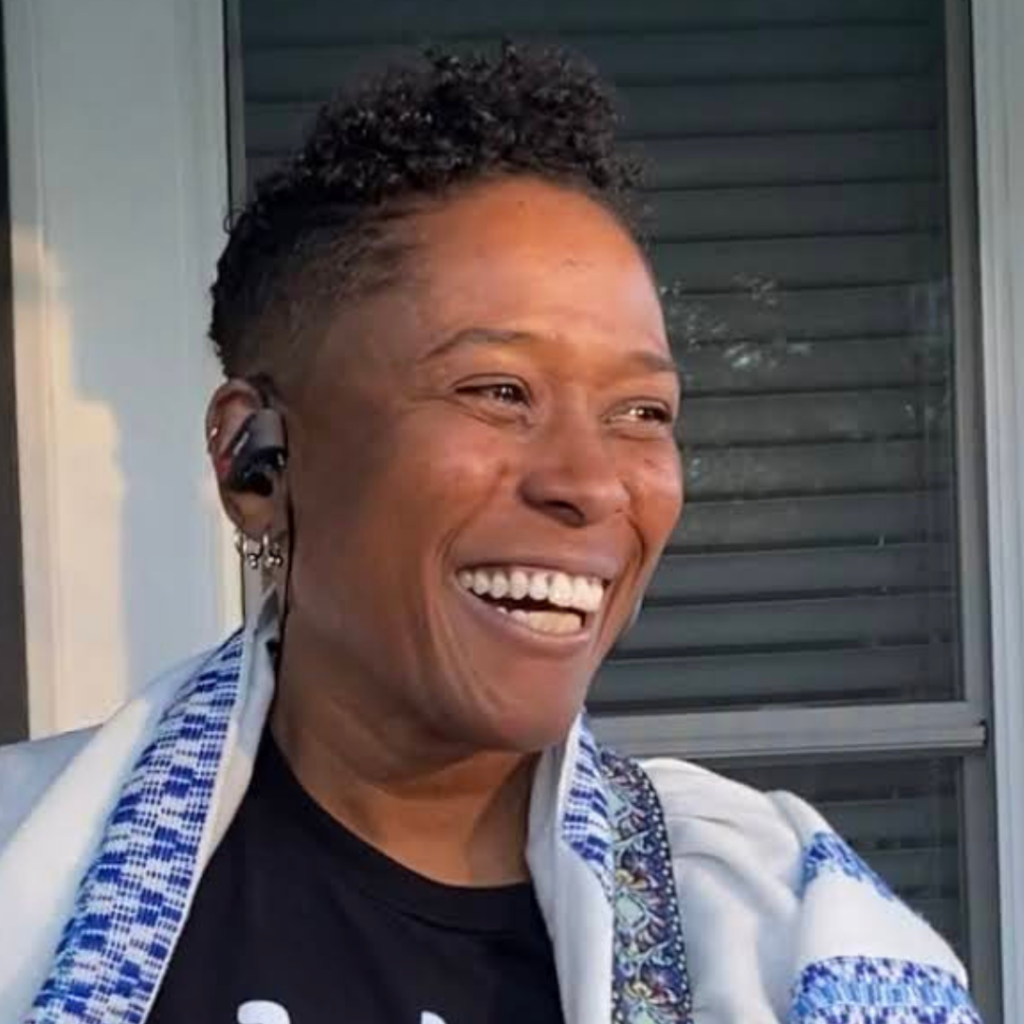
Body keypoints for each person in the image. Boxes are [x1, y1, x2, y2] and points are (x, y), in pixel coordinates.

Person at [0, 45, 980, 1024]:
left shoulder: (777, 930)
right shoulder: (24, 871)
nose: (591, 483)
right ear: (254, 461)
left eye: (642, 411)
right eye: (498, 391)